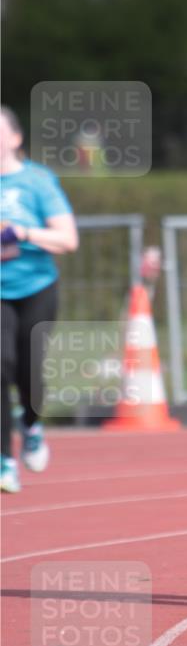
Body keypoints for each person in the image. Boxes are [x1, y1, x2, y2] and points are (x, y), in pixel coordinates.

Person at [0, 106, 79, 493]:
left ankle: (31, 425)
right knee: (0, 367)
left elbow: (68, 239)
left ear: (15, 138)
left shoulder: (37, 181)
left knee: (28, 370)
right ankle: (4, 461)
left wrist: (19, 234)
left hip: (35, 286)